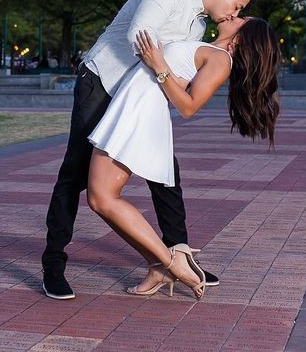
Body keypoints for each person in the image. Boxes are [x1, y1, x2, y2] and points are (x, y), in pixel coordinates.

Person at [41, 0, 252, 300]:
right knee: (75, 173)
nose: (235, 14)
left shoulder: (197, 27)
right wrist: (164, 64)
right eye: (237, 7)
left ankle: (177, 256)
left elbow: (176, 74)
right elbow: (138, 34)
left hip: (137, 103)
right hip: (103, 84)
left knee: (166, 172)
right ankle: (53, 265)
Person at [87, 17, 280, 299]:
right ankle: (160, 265)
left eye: (241, 17)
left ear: (240, 38)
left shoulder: (221, 60)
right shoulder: (206, 47)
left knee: (102, 198)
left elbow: (188, 107)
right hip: (136, 104)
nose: (233, 16)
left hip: (141, 112)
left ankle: (171, 263)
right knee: (100, 199)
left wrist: (159, 65)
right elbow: (177, 77)